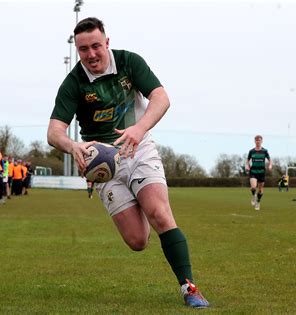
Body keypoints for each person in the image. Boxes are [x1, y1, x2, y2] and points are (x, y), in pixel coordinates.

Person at [47, 17, 209, 308]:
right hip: (103, 166)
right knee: (137, 241)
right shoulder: (73, 83)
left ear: (107, 43)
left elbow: (161, 98)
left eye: (96, 46)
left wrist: (139, 128)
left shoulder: (129, 63)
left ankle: (189, 287)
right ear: (78, 51)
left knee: (159, 213)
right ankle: (140, 204)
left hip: (138, 148)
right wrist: (73, 146)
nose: (91, 54)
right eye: (83, 49)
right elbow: (53, 132)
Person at [245, 135, 272, 210]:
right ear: (254, 141)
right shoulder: (251, 151)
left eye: (259, 140)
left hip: (261, 172)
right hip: (253, 171)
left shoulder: (264, 151)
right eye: (256, 140)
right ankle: (253, 196)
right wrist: (247, 166)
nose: (258, 141)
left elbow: (270, 159)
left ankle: (258, 202)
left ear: (261, 141)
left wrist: (270, 165)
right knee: (253, 187)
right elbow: (247, 160)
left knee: (260, 190)